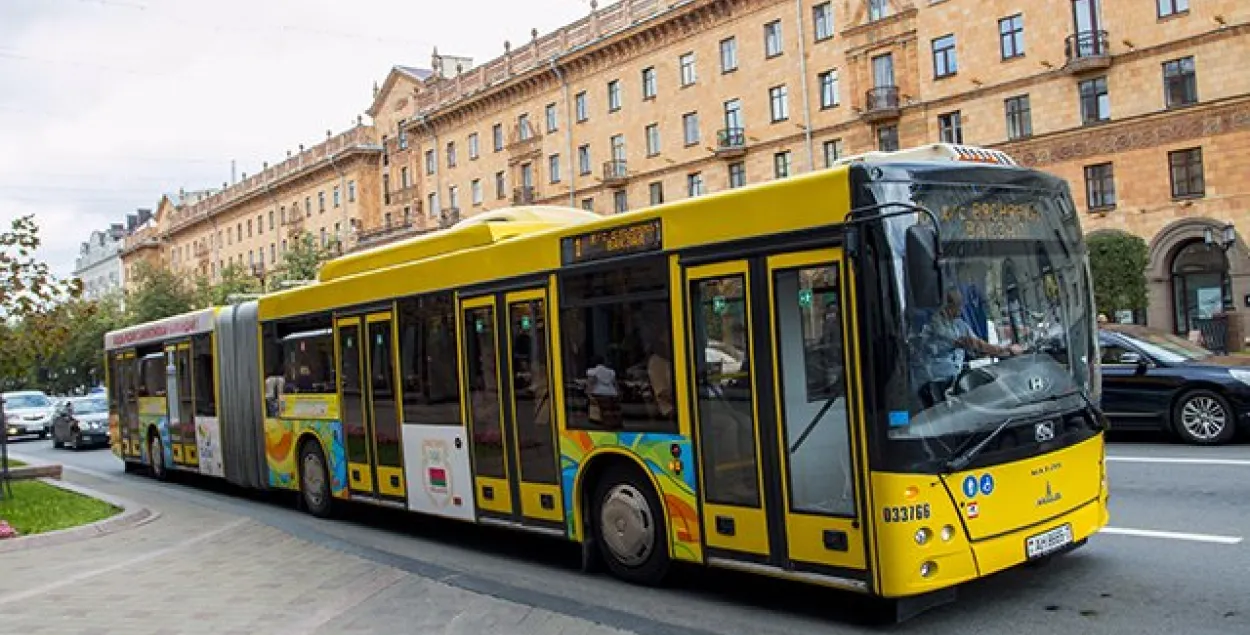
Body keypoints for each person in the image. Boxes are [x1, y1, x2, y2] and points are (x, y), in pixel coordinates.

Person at [918, 287, 1024, 407]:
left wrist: (1000, 352)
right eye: (957, 304)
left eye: (961, 304)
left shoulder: (960, 324)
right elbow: (971, 343)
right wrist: (1006, 350)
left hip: (955, 382)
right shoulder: (936, 324)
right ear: (946, 306)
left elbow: (977, 350)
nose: (961, 308)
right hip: (935, 383)